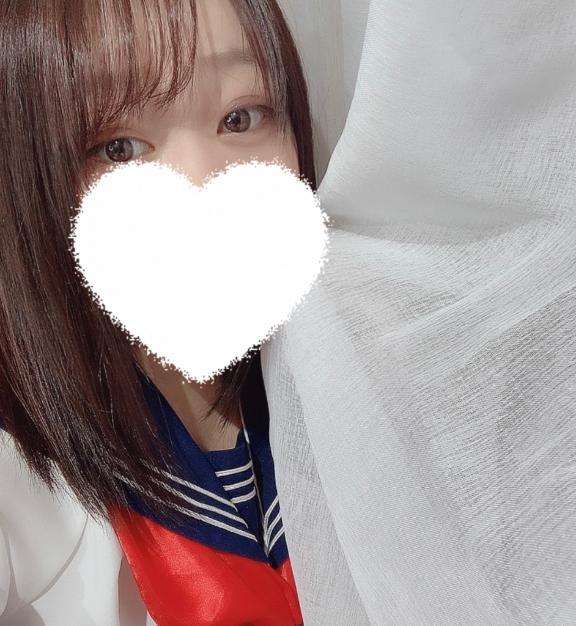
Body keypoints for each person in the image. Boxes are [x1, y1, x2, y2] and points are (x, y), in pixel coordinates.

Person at [0, 0, 315, 624]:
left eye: (240, 117)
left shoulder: (348, 381)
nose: (202, 182)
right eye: (117, 148)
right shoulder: (17, 472)